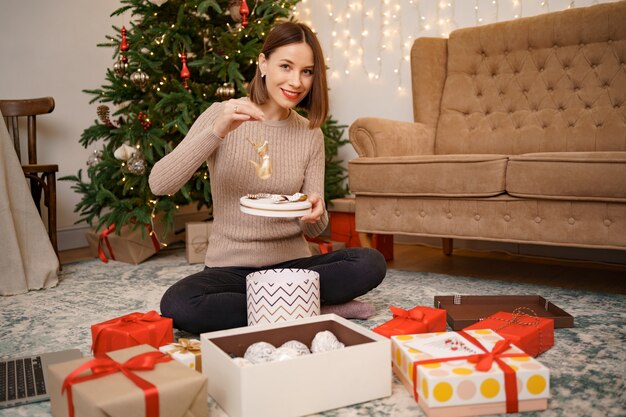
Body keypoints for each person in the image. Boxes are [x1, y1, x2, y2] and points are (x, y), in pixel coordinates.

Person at [149, 21, 386, 334]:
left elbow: (318, 225)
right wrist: (217, 132)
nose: (296, 81)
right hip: (231, 270)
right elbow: (160, 184)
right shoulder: (222, 114)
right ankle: (313, 309)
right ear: (263, 63)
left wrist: (313, 210)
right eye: (285, 66)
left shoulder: (310, 134)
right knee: (179, 304)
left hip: (293, 270)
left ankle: (283, 306)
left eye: (307, 71)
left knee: (371, 263)